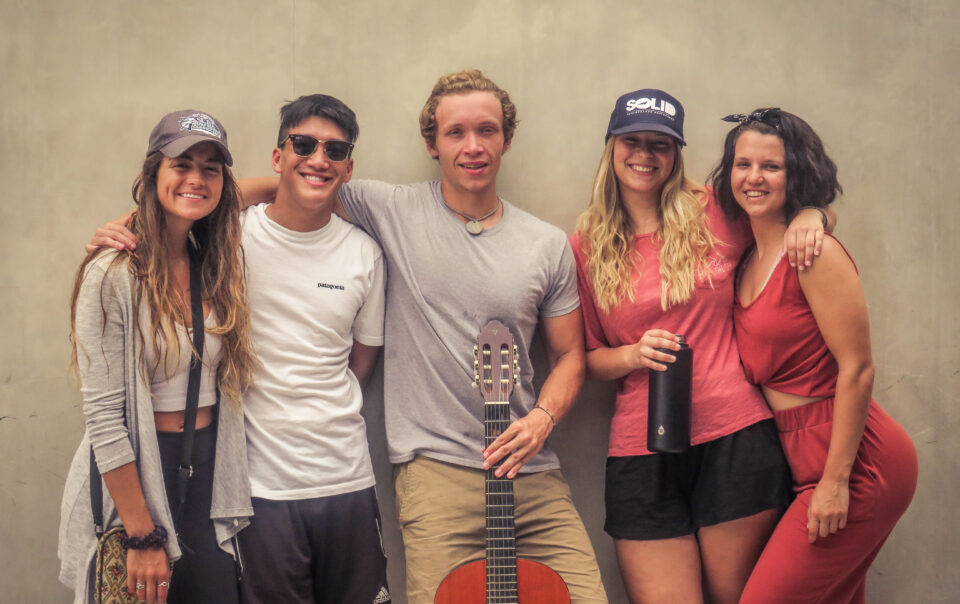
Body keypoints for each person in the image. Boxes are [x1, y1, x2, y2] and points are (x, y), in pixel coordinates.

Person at [235, 69, 608, 604]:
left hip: (531, 474)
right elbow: (301, 180)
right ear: (432, 144)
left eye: (487, 130)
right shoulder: (389, 208)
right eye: (456, 132)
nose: (472, 146)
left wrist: (543, 419)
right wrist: (151, 216)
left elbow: (572, 354)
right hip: (435, 476)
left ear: (507, 139)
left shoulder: (547, 245)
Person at [83, 95, 390, 604]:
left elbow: (362, 362)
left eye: (333, 150)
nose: (318, 157)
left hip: (331, 479)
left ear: (349, 165)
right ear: (277, 156)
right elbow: (182, 204)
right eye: (303, 145)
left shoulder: (363, 252)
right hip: (254, 487)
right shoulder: (229, 239)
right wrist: (127, 225)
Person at [570, 90, 835, 603]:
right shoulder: (586, 243)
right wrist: (632, 354)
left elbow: (786, 222)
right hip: (641, 449)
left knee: (741, 598)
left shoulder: (716, 210)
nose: (645, 154)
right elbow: (584, 358)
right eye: (633, 141)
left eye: (660, 144)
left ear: (676, 153)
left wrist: (813, 217)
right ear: (612, 146)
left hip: (735, 436)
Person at [710, 108, 917, 603]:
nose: (753, 178)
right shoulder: (748, 255)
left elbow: (859, 368)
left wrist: (836, 480)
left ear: (796, 173)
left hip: (858, 460)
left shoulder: (812, 253)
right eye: (743, 164)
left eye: (771, 166)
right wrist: (815, 212)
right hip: (801, 457)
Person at [58, 110, 257, 604]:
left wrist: (290, 182)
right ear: (152, 175)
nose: (196, 178)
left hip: (209, 473)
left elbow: (244, 191)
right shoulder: (114, 274)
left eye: (211, 167)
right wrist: (142, 534)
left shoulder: (212, 263)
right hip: (139, 478)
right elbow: (105, 419)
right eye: (181, 164)